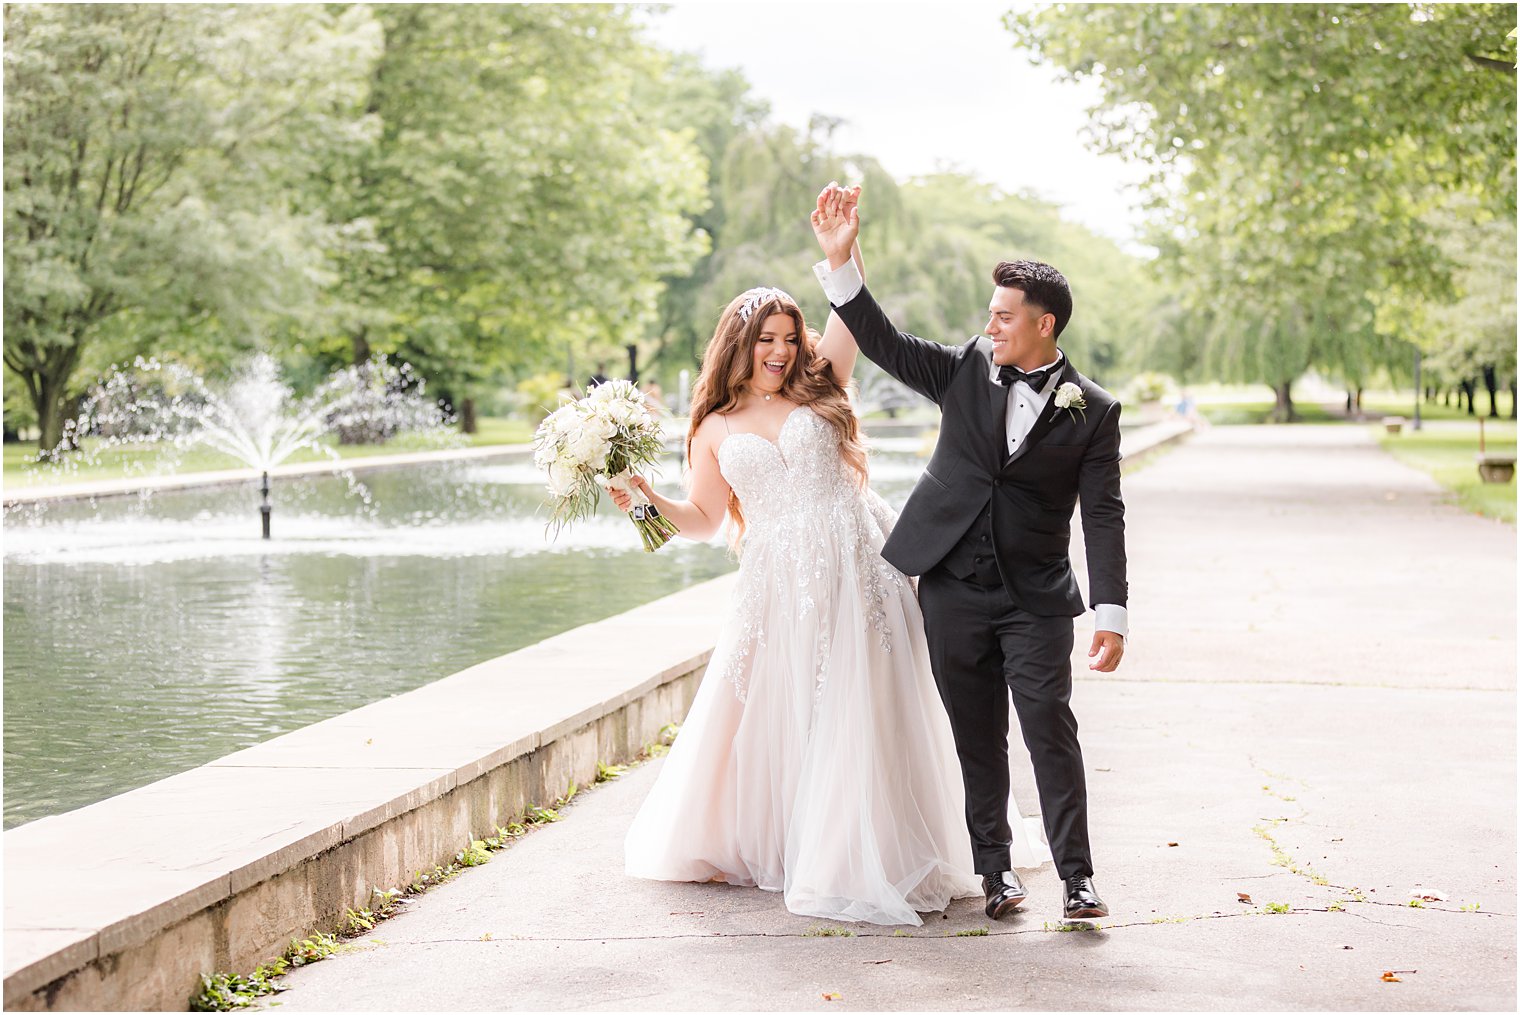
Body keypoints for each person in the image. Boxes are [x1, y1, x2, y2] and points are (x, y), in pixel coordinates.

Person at [606, 252, 1049, 925]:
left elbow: (853, 310)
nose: (781, 351)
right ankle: (806, 845)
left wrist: (844, 251)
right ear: (738, 343)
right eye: (766, 339)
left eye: (790, 336)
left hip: (860, 564)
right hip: (781, 583)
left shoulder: (822, 381)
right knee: (797, 712)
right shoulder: (714, 426)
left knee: (872, 706)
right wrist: (641, 504)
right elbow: (697, 520)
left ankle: (896, 844)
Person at [809, 183, 1128, 922]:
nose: (992, 324)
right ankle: (998, 874)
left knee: (1049, 720)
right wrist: (840, 263)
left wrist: (1111, 610)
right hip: (950, 584)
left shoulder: (1094, 409)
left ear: (1044, 324)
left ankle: (1078, 877)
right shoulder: (960, 370)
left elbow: (1104, 514)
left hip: (1037, 596)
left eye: (1005, 315)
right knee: (976, 734)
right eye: (991, 314)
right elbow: (883, 342)